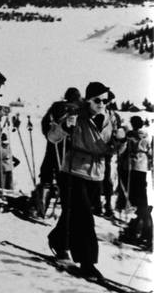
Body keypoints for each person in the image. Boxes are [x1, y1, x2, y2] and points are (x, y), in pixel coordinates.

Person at [47, 81, 125, 278]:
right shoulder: (76, 116)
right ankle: (87, 262)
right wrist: (65, 126)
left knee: (73, 213)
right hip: (74, 170)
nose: (102, 104)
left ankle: (58, 240)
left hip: (97, 173)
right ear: (88, 101)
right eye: (97, 100)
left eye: (105, 100)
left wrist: (121, 141)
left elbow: (114, 150)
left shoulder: (112, 118)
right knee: (84, 218)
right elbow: (52, 137)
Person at [32, 87, 82, 216]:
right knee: (63, 176)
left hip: (53, 142)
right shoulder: (77, 110)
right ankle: (65, 207)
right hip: (68, 146)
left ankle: (42, 201)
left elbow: (45, 122)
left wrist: (48, 135)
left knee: (47, 171)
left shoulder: (56, 106)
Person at [118, 116, 152, 249]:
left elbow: (123, 149)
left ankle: (141, 233)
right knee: (140, 201)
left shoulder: (130, 136)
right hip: (142, 168)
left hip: (131, 167)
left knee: (135, 202)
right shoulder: (147, 136)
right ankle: (140, 232)